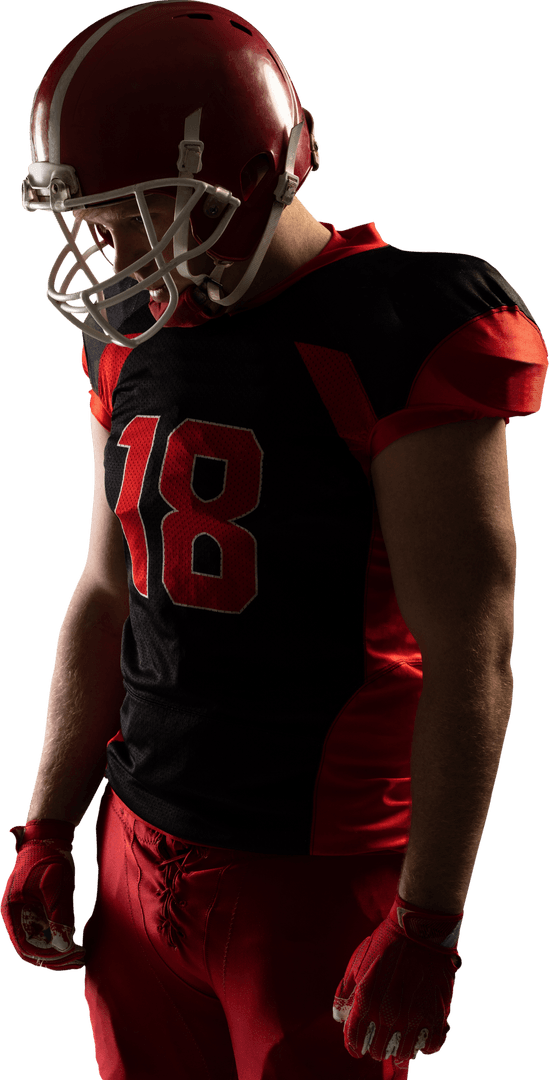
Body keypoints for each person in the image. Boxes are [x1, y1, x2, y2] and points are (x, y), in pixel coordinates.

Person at [2, 3, 547, 1079]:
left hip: (313, 877)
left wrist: (430, 917)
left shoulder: (402, 326)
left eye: (130, 211)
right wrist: (46, 826)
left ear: (243, 173)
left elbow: (473, 649)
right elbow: (107, 594)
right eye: (93, 218)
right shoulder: (132, 348)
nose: (109, 250)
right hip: (134, 848)